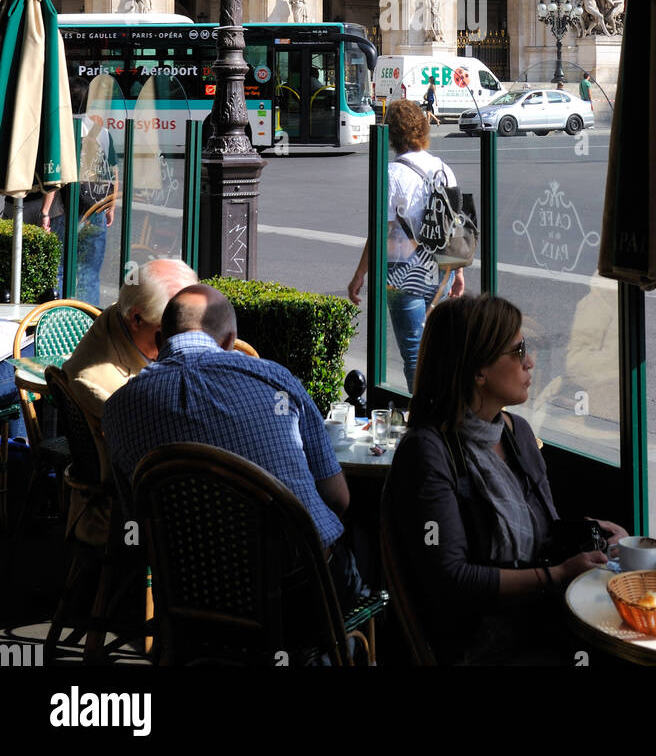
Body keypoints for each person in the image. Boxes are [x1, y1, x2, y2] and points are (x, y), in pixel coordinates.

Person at [384, 296, 627, 665]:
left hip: (540, 618)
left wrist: (597, 537)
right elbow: (452, 579)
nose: (530, 362)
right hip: (483, 643)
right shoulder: (427, 453)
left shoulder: (517, 433)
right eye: (518, 352)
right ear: (478, 370)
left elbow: (544, 533)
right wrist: (556, 575)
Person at [102, 284, 362, 608]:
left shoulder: (117, 409)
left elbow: (136, 519)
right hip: (298, 594)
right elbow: (338, 498)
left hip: (191, 600)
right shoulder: (276, 380)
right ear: (229, 341)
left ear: (158, 343)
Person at [63, 258, 197, 544]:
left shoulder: (122, 316)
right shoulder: (101, 384)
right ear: (136, 319)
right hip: (130, 516)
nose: (189, 340)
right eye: (172, 331)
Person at [348, 99, 464, 391]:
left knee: (415, 354)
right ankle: (441, 415)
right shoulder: (443, 168)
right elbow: (453, 221)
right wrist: (458, 272)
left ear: (392, 135)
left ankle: (424, 421)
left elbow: (380, 231)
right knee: (436, 350)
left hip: (403, 272)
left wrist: (359, 274)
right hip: (440, 269)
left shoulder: (390, 175)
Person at [69, 76, 119, 306]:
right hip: (95, 206)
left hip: (64, 206)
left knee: (61, 268)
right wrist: (111, 207)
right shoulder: (102, 131)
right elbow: (113, 172)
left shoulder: (59, 129)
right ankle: (88, 319)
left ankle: (60, 315)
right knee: (89, 271)